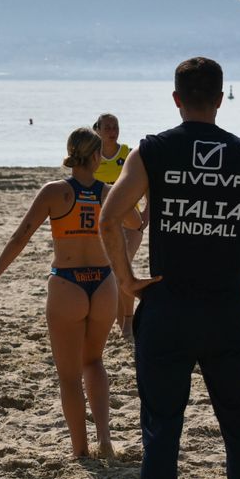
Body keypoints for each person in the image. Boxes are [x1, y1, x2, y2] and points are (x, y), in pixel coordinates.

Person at [100, 57, 240, 479]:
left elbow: (110, 218)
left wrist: (126, 282)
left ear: (176, 99)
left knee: (162, 432)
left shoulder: (153, 151)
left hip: (169, 309)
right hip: (227, 310)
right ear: (220, 99)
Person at [0, 127, 138, 459]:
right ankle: (105, 440)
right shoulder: (108, 193)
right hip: (103, 283)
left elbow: (21, 236)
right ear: (96, 157)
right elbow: (136, 222)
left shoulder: (54, 192)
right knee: (94, 361)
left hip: (68, 283)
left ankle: (80, 451)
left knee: (69, 376)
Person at [96, 112, 147, 339]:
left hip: (130, 223)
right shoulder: (92, 155)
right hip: (103, 224)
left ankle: (128, 322)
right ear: (97, 130)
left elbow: (148, 185)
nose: (112, 131)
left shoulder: (128, 154)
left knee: (121, 270)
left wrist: (146, 215)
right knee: (110, 274)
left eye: (115, 126)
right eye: (107, 127)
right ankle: (120, 322)